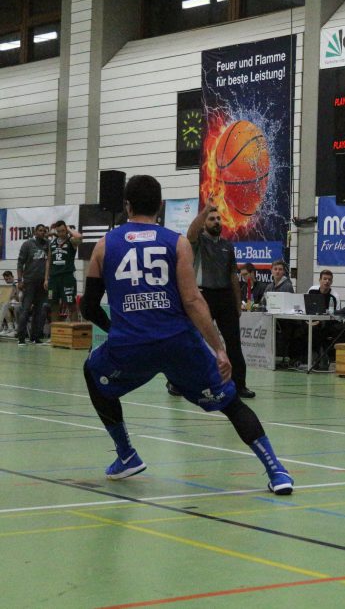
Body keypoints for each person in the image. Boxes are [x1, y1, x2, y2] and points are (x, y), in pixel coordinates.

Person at [78, 175, 292, 493]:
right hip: (178, 342)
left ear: (126, 205)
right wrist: (219, 349)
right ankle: (277, 472)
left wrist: (116, 330)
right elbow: (193, 301)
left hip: (130, 345)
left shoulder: (104, 245)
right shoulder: (176, 243)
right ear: (160, 206)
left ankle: (126, 454)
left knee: (92, 373)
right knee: (230, 401)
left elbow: (89, 306)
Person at [180, 199, 254, 398]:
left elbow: (232, 276)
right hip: (204, 297)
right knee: (193, 341)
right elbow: (190, 233)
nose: (216, 222)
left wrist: (237, 302)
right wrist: (205, 211)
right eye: (212, 219)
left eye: (218, 219)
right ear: (205, 223)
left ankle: (239, 385)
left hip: (225, 298)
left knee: (234, 343)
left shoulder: (227, 246)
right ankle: (177, 383)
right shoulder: (198, 242)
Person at [16, 224, 49, 345]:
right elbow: (20, 263)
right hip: (29, 282)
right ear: (35, 232)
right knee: (25, 310)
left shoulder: (47, 245)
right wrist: (20, 280)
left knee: (40, 311)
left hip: (42, 284)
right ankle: (21, 337)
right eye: (40, 231)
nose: (42, 233)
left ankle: (35, 337)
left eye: (44, 231)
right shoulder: (28, 244)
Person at [45, 220, 83, 322]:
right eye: (58, 231)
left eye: (63, 230)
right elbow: (49, 260)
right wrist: (46, 279)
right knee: (53, 306)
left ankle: (75, 333)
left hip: (67, 278)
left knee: (71, 305)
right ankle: (55, 334)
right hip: (53, 279)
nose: (61, 233)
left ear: (66, 230)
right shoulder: (52, 243)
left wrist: (68, 228)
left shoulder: (72, 241)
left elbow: (79, 237)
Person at [1, 270, 21, 334]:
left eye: (9, 278)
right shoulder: (5, 288)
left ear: (13, 277)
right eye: (6, 279)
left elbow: (19, 299)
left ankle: (14, 328)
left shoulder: (17, 285)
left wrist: (14, 293)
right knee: (3, 306)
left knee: (6, 306)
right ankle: (9, 328)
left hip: (17, 304)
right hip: (9, 304)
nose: (8, 281)